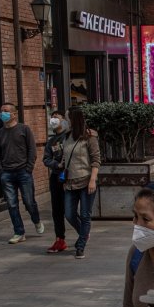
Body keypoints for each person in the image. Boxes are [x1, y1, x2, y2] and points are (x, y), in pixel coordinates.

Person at [0, 102, 43, 244]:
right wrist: (0, 170)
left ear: (14, 114)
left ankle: (36, 220)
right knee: (12, 204)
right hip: (6, 174)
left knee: (29, 201)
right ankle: (19, 232)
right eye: (2, 111)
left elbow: (32, 150)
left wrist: (29, 168)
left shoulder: (24, 129)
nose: (3, 113)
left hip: (23, 172)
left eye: (6, 111)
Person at [62, 107, 101, 259]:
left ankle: (81, 245)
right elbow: (65, 158)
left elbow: (96, 159)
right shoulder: (66, 136)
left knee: (85, 215)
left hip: (86, 181)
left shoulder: (89, 136)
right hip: (70, 182)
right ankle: (84, 233)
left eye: (67, 118)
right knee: (69, 214)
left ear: (73, 119)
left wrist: (93, 180)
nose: (65, 121)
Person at [42, 110, 70, 254]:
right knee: (57, 210)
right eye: (52, 117)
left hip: (71, 177)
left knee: (70, 210)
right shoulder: (51, 141)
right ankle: (60, 238)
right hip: (56, 177)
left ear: (64, 120)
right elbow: (46, 159)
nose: (53, 120)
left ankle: (83, 233)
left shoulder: (70, 137)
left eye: (56, 117)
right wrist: (56, 165)